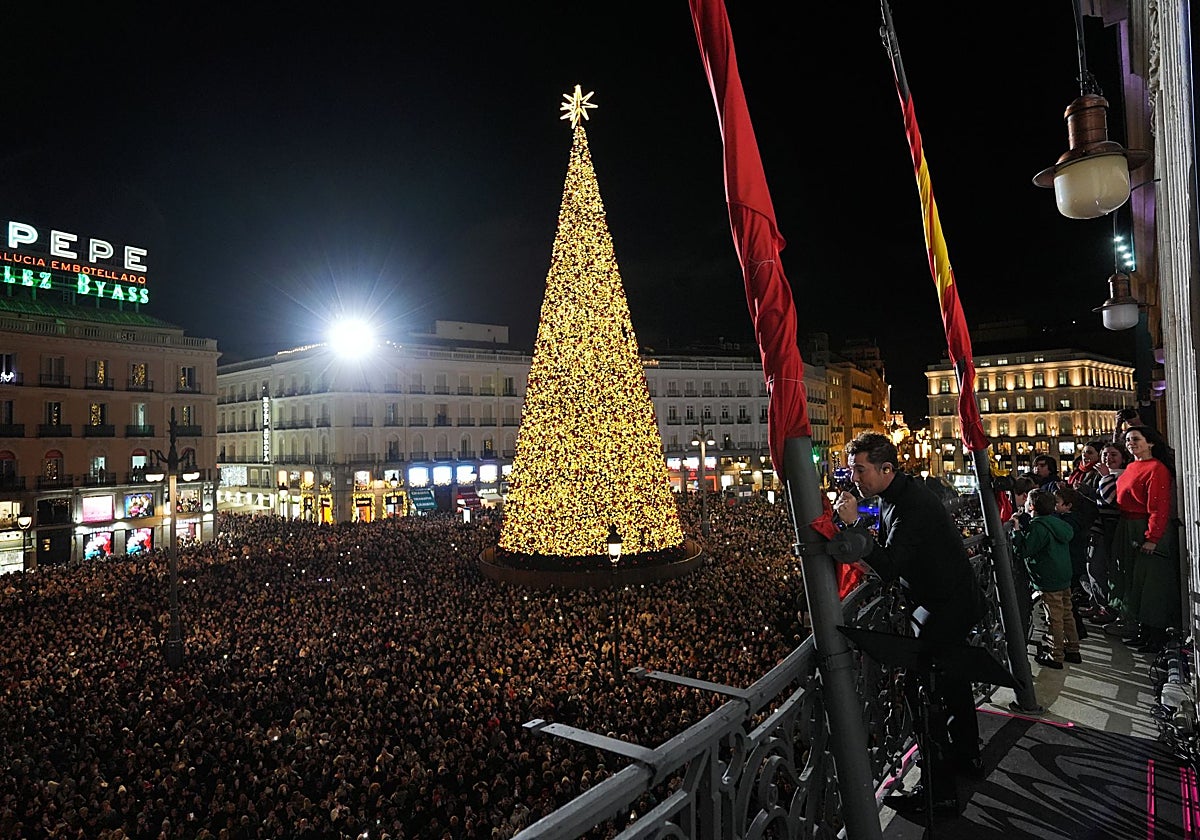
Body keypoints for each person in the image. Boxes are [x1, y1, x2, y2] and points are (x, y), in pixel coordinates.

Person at [834, 432, 984, 813]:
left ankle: (940, 791)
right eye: (853, 470)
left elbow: (889, 565)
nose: (855, 479)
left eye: (861, 470)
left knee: (926, 695)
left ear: (886, 468)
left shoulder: (912, 506)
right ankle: (968, 757)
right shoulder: (894, 497)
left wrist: (853, 526)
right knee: (954, 683)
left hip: (943, 608)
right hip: (944, 602)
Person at [1110, 426, 1180, 652]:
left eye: (1136, 439)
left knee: (1152, 582)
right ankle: (1143, 630)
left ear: (1150, 443)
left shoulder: (1156, 469)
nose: (1131, 443)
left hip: (1145, 528)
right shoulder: (1131, 466)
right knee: (1134, 580)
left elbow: (1159, 507)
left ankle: (1156, 634)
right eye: (1128, 440)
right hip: (1128, 526)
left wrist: (1153, 537)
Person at [1012, 489, 1079, 669]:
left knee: (1054, 618)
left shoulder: (1038, 527)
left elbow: (1024, 550)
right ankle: (1072, 648)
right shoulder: (1058, 523)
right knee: (1066, 613)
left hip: (1048, 578)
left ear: (1032, 507)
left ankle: (1055, 654)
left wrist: (1016, 531)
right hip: (1064, 575)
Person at [1085, 442, 1127, 625]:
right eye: (1105, 455)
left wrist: (1105, 477)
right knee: (1094, 567)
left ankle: (1110, 607)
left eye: (1113, 455)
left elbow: (1111, 499)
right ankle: (1103, 603)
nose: (1108, 459)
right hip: (1101, 528)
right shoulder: (1101, 476)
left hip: (1114, 528)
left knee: (1107, 568)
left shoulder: (1120, 476)